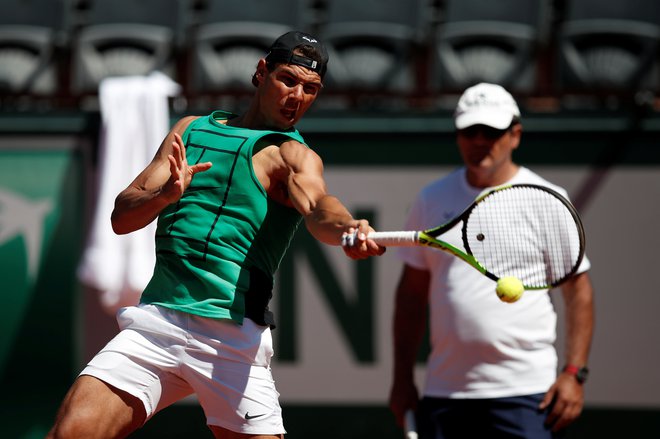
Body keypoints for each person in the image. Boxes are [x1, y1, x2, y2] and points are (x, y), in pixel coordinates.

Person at [47, 31, 385, 439]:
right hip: (157, 323)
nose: (297, 96)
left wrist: (349, 227)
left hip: (231, 341)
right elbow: (122, 216)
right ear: (261, 73)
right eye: (288, 80)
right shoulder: (190, 130)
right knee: (70, 434)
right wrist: (166, 195)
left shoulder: (292, 155)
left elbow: (318, 207)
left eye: (310, 88)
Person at [388, 82, 594, 439]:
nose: (479, 140)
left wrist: (574, 372)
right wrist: (402, 378)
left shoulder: (549, 200)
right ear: (458, 136)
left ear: (515, 135)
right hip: (446, 393)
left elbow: (578, 292)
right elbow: (410, 297)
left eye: (491, 131)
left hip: (529, 394)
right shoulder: (431, 199)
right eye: (470, 131)